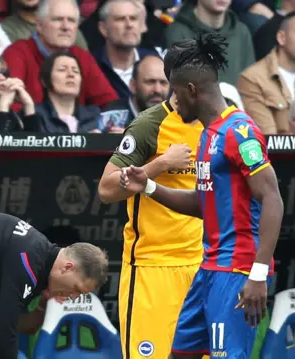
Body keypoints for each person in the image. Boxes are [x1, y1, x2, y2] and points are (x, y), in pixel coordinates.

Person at [120, 33, 284, 359]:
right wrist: (149, 186)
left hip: (237, 273)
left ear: (191, 91)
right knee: (179, 353)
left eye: (177, 92)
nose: (174, 100)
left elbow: (273, 199)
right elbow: (201, 203)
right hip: (208, 268)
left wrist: (258, 274)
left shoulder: (240, 131)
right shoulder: (208, 136)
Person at [97, 44, 204, 359]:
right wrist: (159, 164)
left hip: (202, 265)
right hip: (152, 266)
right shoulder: (149, 124)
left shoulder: (217, 123)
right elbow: (106, 189)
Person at [0, 211, 109, 359]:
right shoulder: (29, 260)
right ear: (67, 267)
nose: (73, 297)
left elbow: (2, 330)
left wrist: (41, 307)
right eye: (76, 290)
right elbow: (4, 335)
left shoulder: (40, 264)